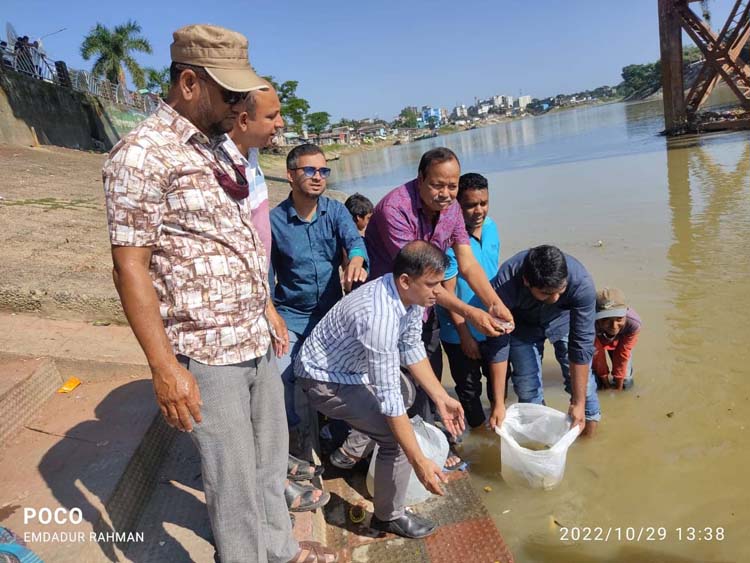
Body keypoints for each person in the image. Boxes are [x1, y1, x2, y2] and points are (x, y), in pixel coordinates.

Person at [103, 24, 336, 563]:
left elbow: (236, 239)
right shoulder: (139, 156)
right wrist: (164, 367)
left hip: (254, 336)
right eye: (230, 94)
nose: (238, 105)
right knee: (231, 480)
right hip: (207, 350)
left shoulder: (217, 149)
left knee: (269, 462)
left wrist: (267, 308)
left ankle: (281, 551)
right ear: (189, 83)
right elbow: (129, 267)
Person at [295, 241, 465, 539]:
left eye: (440, 283)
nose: (438, 292)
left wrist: (441, 397)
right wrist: (420, 462)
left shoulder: (411, 297)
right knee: (397, 441)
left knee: (409, 394)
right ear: (405, 280)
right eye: (432, 285)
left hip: (352, 369)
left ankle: (354, 449)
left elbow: (411, 346)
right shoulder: (380, 317)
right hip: (324, 379)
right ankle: (389, 517)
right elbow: (389, 401)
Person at [224, 88, 327, 495]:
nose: (280, 123)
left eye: (323, 171)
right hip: (270, 311)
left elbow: (353, 243)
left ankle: (301, 455)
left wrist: (357, 255)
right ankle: (286, 458)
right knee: (276, 381)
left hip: (317, 311)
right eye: (273, 117)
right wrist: (268, 306)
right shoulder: (275, 212)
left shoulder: (249, 163)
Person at [270, 144, 368, 435]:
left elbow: (355, 242)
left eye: (323, 170)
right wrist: (271, 317)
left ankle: (338, 434)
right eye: (309, 170)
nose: (318, 177)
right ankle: (293, 435)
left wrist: (357, 261)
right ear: (290, 175)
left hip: (331, 314)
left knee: (343, 374)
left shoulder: (336, 211)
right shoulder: (273, 222)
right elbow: (266, 276)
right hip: (292, 315)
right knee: (278, 375)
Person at [485, 245, 602, 437]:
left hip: (562, 321)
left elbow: (581, 344)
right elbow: (498, 345)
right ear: (526, 282)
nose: (555, 298)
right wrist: (499, 403)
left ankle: (588, 444)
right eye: (547, 293)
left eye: (560, 290)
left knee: (585, 389)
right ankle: (540, 443)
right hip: (521, 326)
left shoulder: (581, 283)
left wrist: (578, 403)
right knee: (527, 389)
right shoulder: (505, 283)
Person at [438, 173, 502, 429]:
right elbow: (448, 293)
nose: (479, 211)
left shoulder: (492, 227)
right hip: (458, 332)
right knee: (469, 389)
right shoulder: (450, 242)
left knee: (500, 385)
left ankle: (494, 435)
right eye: (471, 205)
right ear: (457, 205)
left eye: (483, 203)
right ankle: (475, 430)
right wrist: (465, 335)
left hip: (491, 324)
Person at [592, 287, 642, 390]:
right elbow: (597, 354)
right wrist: (606, 383)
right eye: (606, 319)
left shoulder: (633, 323)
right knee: (596, 383)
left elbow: (623, 352)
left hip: (619, 342)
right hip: (597, 341)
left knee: (626, 382)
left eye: (619, 318)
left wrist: (618, 387)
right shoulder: (588, 323)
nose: (614, 326)